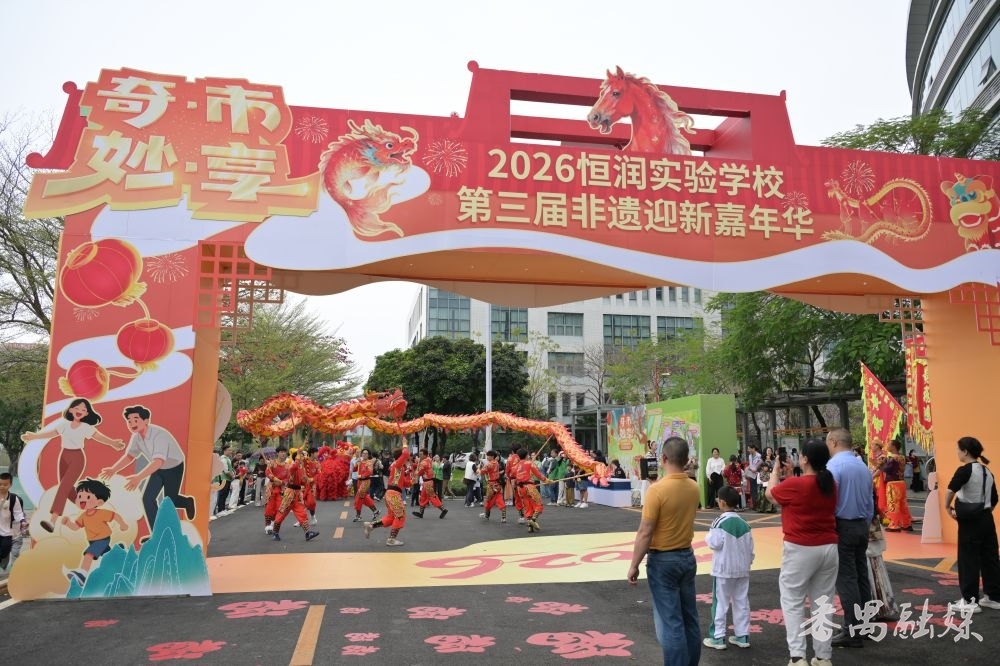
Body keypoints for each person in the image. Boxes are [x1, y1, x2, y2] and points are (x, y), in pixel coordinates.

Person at [627, 436, 701, 666]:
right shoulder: (694, 487)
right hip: (687, 556)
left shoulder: (656, 491)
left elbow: (645, 532)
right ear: (686, 459)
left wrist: (634, 564)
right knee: (689, 618)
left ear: (663, 458)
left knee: (671, 623)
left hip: (663, 561)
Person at [767, 438, 839, 666]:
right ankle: (823, 656)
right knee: (823, 603)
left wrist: (775, 471)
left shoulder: (797, 485)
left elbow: (771, 495)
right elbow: (800, 493)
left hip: (800, 548)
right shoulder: (830, 484)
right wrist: (790, 475)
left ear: (805, 459)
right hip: (829, 547)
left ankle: (798, 657)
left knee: (792, 601)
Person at [21, 397, 125, 533]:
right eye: (77, 408)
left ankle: (52, 521)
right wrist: (34, 436)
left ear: (87, 413)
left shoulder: (86, 427)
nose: (80, 411)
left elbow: (99, 437)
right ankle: (87, 507)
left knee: (63, 487)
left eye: (83, 409)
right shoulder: (64, 425)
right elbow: (51, 434)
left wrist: (113, 443)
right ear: (70, 410)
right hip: (64, 456)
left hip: (77, 458)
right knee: (67, 488)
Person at [99, 405, 196, 536]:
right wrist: (113, 469)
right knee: (147, 499)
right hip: (157, 468)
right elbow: (130, 456)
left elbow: (159, 461)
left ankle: (187, 502)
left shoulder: (159, 435)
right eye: (129, 421)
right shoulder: (136, 437)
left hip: (173, 466)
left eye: (136, 419)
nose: (132, 423)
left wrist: (138, 477)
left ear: (146, 420)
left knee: (170, 500)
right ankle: (157, 534)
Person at [825, 427, 874, 649]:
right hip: (861, 524)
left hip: (842, 525)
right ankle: (865, 625)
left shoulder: (833, 467)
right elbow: (870, 501)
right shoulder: (862, 466)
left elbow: (830, 500)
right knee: (861, 575)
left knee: (846, 578)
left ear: (834, 442)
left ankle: (852, 630)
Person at [944, 436, 1000, 614]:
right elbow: (994, 499)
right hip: (987, 519)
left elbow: (951, 490)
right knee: (990, 558)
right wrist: (984, 511)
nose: (957, 452)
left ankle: (970, 601)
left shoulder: (964, 470)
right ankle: (993, 597)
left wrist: (947, 507)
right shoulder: (987, 471)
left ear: (965, 451)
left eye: (958, 449)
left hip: (970, 522)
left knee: (968, 560)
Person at [703, 485, 755, 650]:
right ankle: (742, 636)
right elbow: (751, 549)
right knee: (741, 602)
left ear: (722, 503)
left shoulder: (719, 522)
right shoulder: (745, 524)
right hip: (742, 570)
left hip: (723, 570)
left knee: (720, 603)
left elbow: (714, 543)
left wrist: (707, 536)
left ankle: (718, 637)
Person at [61, 477, 128, 585]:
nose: (82, 500)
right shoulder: (83, 516)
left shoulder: (101, 513)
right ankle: (120, 553)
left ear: (99, 502)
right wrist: (68, 523)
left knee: (89, 554)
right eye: (80, 496)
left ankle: (82, 575)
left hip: (103, 538)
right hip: (92, 541)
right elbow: (75, 527)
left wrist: (123, 525)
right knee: (108, 555)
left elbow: (115, 516)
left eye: (88, 497)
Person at [365, 439, 411, 546]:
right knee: (400, 516)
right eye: (406, 458)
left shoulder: (398, 467)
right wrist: (405, 443)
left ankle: (371, 526)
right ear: (401, 457)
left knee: (391, 517)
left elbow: (404, 483)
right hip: (394, 494)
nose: (407, 459)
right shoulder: (398, 464)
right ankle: (391, 539)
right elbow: (405, 453)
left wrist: (414, 479)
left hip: (391, 493)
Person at [269, 450, 320, 542]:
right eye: (302, 456)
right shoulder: (292, 466)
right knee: (282, 513)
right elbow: (294, 468)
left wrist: (310, 481)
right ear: (297, 457)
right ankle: (275, 533)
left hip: (298, 493)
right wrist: (298, 455)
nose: (305, 457)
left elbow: (304, 480)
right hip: (290, 493)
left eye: (304, 455)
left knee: (302, 513)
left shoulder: (302, 468)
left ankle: (308, 533)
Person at [879, 440, 913, 532]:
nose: (887, 446)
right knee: (903, 505)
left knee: (893, 504)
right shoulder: (902, 457)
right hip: (901, 482)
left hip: (893, 484)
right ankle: (907, 524)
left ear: (893, 446)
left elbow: (887, 469)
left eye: (889, 444)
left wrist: (880, 465)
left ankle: (894, 525)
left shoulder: (892, 458)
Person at [0, 472, 28, 571]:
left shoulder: (13, 498)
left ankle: (8, 568)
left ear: (10, 485)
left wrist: (23, 521)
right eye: (0, 484)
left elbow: (18, 513)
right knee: (3, 552)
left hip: (8, 531)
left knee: (6, 550)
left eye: (5, 484)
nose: (2, 486)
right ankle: (3, 569)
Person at [412, 448, 448, 519]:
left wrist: (418, 465)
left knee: (432, 497)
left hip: (427, 482)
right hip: (428, 481)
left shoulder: (423, 463)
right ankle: (421, 513)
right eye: (419, 454)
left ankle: (443, 509)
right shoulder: (428, 459)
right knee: (423, 497)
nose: (419, 456)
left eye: (421, 454)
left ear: (425, 455)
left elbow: (419, 473)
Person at [352, 448, 380, 523]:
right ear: (361, 454)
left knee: (358, 497)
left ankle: (358, 516)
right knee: (364, 498)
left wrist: (361, 476)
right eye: (363, 453)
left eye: (366, 453)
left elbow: (370, 472)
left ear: (368, 455)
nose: (364, 454)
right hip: (359, 482)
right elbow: (354, 470)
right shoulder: (360, 461)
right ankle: (376, 511)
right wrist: (356, 463)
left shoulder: (369, 462)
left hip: (366, 481)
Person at [479, 450, 508, 523]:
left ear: (492, 456)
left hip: (491, 485)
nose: (487, 457)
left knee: (488, 500)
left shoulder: (489, 464)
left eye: (488, 456)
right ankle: (503, 517)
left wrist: (478, 469)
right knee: (499, 499)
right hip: (497, 484)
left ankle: (486, 515)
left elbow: (481, 472)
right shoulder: (496, 463)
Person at [214, 445, 234, 515]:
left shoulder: (228, 459)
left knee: (225, 494)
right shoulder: (223, 459)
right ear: (225, 451)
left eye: (230, 450)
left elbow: (230, 469)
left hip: (227, 479)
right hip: (223, 479)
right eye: (229, 450)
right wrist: (232, 476)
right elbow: (226, 470)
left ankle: (223, 509)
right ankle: (220, 510)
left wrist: (232, 475)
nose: (230, 451)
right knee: (222, 494)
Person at [744, 444, 762, 510]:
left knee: (757, 490)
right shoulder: (749, 456)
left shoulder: (759, 456)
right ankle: (755, 505)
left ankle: (758, 505)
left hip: (757, 474)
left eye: (749, 449)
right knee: (752, 490)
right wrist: (747, 469)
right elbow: (751, 464)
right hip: (751, 474)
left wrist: (756, 469)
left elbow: (761, 465)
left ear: (753, 449)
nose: (748, 450)